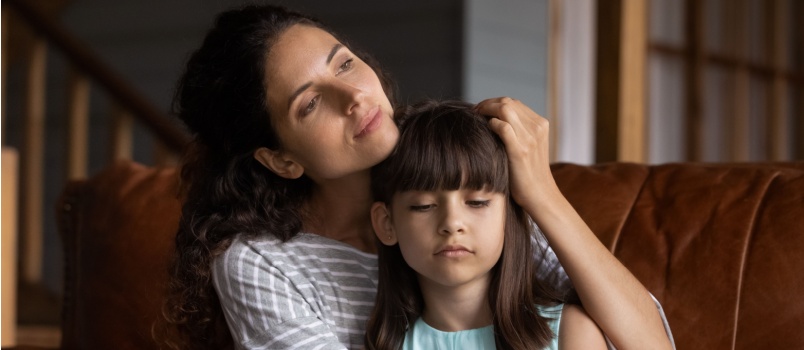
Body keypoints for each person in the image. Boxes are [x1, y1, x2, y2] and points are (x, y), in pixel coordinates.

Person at [163, 4, 673, 350]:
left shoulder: (457, 177)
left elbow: (651, 344)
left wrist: (542, 195)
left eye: (344, 64)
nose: (356, 97)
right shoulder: (260, 265)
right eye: (312, 102)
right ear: (280, 160)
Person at [366, 100, 607, 349]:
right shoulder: (383, 345)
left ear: (510, 214)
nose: (452, 223)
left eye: (477, 202)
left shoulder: (570, 332)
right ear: (387, 223)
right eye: (424, 206)